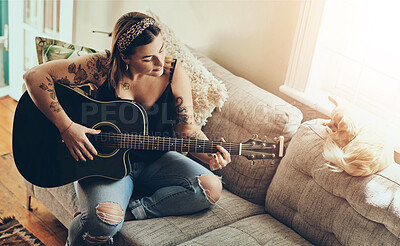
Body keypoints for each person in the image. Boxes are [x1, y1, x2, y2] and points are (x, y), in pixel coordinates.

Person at [23, 12, 231, 245]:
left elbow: (187, 130)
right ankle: (91, 223)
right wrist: (67, 128)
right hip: (103, 163)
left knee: (210, 188)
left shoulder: (174, 73)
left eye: (161, 50)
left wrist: (210, 154)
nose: (160, 63)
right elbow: (34, 76)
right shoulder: (101, 67)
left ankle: (128, 212)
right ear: (124, 56)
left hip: (156, 161)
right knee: (104, 222)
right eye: (148, 58)